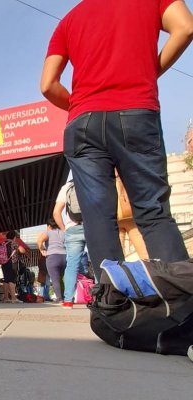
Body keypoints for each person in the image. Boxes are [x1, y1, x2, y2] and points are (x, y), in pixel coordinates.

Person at [41, 0, 193, 280]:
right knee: (152, 212)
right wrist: (151, 71)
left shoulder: (69, 20)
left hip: (82, 123)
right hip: (136, 111)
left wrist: (82, 104)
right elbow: (185, 27)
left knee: (99, 221)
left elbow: (48, 84)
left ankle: (117, 310)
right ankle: (182, 313)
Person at [53, 181, 88, 309]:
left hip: (72, 228)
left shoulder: (67, 186)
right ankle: (103, 297)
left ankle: (68, 300)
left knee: (72, 265)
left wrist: (64, 229)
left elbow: (56, 213)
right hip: (93, 225)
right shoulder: (93, 177)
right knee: (98, 261)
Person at [116, 172, 149, 260]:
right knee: (144, 252)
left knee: (117, 255)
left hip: (114, 218)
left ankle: (120, 272)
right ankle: (151, 270)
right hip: (131, 215)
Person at [37, 218, 67, 303]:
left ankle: (59, 299)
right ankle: (66, 297)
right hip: (64, 256)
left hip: (53, 257)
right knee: (62, 278)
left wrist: (42, 250)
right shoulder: (63, 232)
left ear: (49, 226)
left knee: (55, 279)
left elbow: (39, 241)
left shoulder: (48, 232)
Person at [0, 230, 27, 304]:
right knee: (12, 280)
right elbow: (22, 251)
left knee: (6, 280)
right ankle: (13, 298)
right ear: (14, 237)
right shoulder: (14, 243)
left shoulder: (3, 243)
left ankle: (6, 298)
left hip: (4, 263)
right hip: (12, 263)